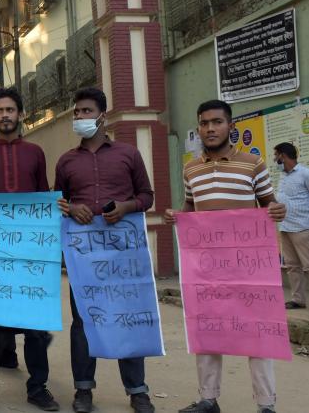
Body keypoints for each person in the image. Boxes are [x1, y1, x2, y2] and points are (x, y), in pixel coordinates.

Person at [166, 100, 285, 413]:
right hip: (207, 268)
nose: (210, 128)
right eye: (204, 123)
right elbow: (190, 210)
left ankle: (266, 405)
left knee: (257, 333)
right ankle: (208, 399)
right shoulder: (191, 168)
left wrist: (277, 210)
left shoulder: (252, 164)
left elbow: (269, 204)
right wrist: (177, 217)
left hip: (249, 267)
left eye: (217, 122)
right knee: (207, 330)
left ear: (230, 126)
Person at [54, 88, 155, 413]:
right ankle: (83, 390)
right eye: (76, 112)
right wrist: (72, 209)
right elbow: (58, 202)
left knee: (127, 317)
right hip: (84, 256)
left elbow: (147, 195)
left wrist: (125, 207)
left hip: (123, 254)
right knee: (84, 320)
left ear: (103, 116)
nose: (79, 117)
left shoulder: (129, 154)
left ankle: (137, 390)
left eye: (85, 111)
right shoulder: (66, 160)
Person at [0, 88, 58, 411]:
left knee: (34, 325)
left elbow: (43, 199)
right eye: (0, 110)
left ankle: (38, 388)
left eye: (11, 110)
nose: (5, 115)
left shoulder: (35, 152)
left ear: (20, 114)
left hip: (29, 252)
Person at [272, 142, 309, 309]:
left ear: (283, 156)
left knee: (308, 266)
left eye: (276, 155)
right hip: (285, 227)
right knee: (292, 266)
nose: (274, 159)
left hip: (302, 227)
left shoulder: (305, 174)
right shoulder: (283, 176)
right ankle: (298, 299)